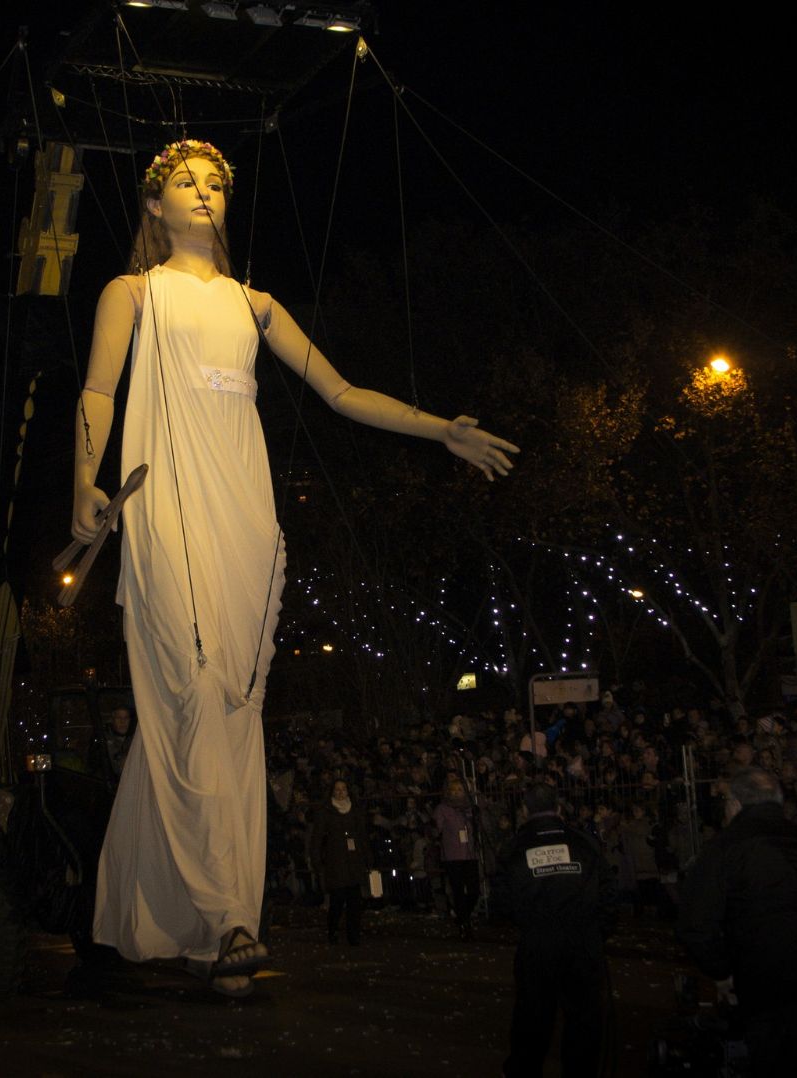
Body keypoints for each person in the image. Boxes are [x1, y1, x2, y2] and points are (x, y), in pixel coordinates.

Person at [77, 139, 518, 998]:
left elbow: (344, 395)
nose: (202, 193)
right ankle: (222, 913)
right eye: (183, 182)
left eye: (214, 183)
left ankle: (215, 926)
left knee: (234, 708)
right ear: (154, 207)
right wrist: (82, 486)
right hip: (165, 498)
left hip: (244, 507)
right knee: (198, 690)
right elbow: (97, 392)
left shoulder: (258, 305)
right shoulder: (131, 293)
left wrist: (441, 430)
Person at [677, 767, 797, 1075]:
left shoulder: (728, 846)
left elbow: (695, 924)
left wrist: (722, 972)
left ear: (735, 804)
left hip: (774, 982)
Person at [493, 783, 610, 1078]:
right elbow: (608, 895)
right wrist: (596, 933)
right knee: (583, 1019)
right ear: (558, 809)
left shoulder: (513, 848)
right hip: (582, 943)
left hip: (538, 944)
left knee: (533, 1018)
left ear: (524, 811)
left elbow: (502, 902)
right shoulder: (585, 843)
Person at [306, 779, 370, 946]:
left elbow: (362, 836)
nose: (341, 792)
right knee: (337, 901)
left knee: (354, 902)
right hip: (336, 862)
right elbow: (317, 838)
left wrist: (367, 858)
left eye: (343, 789)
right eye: (338, 790)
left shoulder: (355, 810)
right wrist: (317, 861)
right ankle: (333, 930)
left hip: (353, 861)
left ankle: (353, 935)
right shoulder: (326, 812)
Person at [433, 775, 481, 939]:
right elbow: (436, 830)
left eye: (460, 790)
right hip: (453, 855)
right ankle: (464, 924)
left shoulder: (471, 808)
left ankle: (462, 916)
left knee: (474, 890)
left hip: (470, 854)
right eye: (454, 790)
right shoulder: (442, 809)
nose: (456, 793)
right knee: (458, 890)